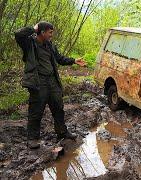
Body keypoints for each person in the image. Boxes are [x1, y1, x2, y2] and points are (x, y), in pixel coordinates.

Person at [14, 21, 87, 149]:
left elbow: (59, 58)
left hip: (52, 82)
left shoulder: (50, 45)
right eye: (50, 32)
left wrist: (74, 61)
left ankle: (62, 132)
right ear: (41, 32)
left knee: (58, 108)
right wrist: (34, 28)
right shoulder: (29, 43)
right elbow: (18, 34)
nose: (51, 35)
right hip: (38, 83)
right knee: (36, 111)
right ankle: (32, 138)